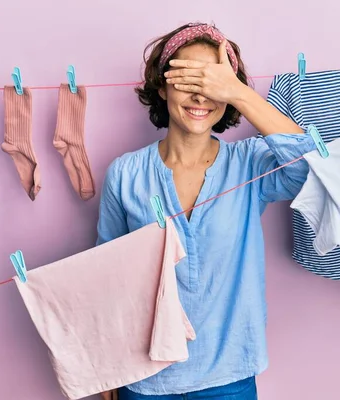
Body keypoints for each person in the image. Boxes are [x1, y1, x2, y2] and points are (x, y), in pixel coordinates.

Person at [96, 22, 317, 400]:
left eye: (213, 82)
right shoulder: (125, 173)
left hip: (229, 377)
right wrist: (107, 368)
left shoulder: (250, 164)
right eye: (188, 79)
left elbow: (310, 171)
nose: (201, 96)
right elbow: (109, 278)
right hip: (144, 380)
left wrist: (240, 93)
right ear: (163, 86)